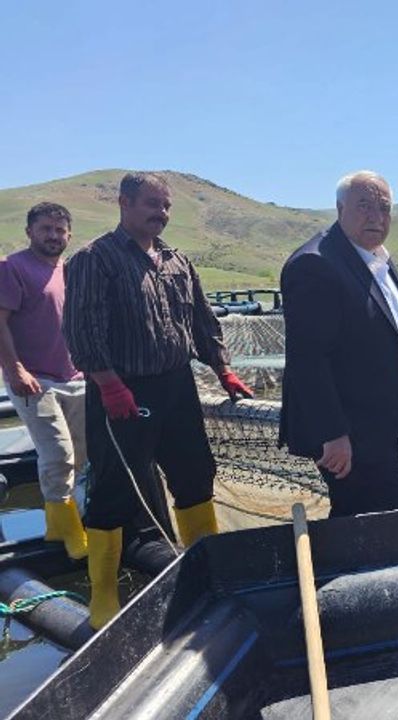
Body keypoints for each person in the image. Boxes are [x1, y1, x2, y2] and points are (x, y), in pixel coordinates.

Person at [62, 171, 253, 629]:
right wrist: (108, 383)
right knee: (113, 488)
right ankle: (103, 596)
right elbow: (81, 329)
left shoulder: (176, 260)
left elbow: (202, 321)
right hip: (122, 389)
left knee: (195, 475)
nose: (161, 213)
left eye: (166, 206)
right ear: (124, 203)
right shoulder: (95, 259)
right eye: (152, 204)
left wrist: (222, 368)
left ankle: (206, 576)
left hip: (177, 387)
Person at [279, 171, 398, 517]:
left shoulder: (373, 256)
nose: (376, 217)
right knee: (388, 516)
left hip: (377, 422)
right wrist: (332, 434)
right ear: (339, 209)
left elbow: (377, 335)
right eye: (364, 206)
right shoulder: (315, 264)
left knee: (363, 518)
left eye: (384, 208)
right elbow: (307, 359)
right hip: (348, 431)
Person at [0, 202, 88, 559]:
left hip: (76, 376)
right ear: (29, 232)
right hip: (34, 379)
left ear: (69, 234)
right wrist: (14, 370)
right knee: (58, 453)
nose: (53, 236)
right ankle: (65, 530)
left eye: (59, 230)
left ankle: (67, 519)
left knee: (81, 455)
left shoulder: (69, 270)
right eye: (45, 229)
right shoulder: (12, 267)